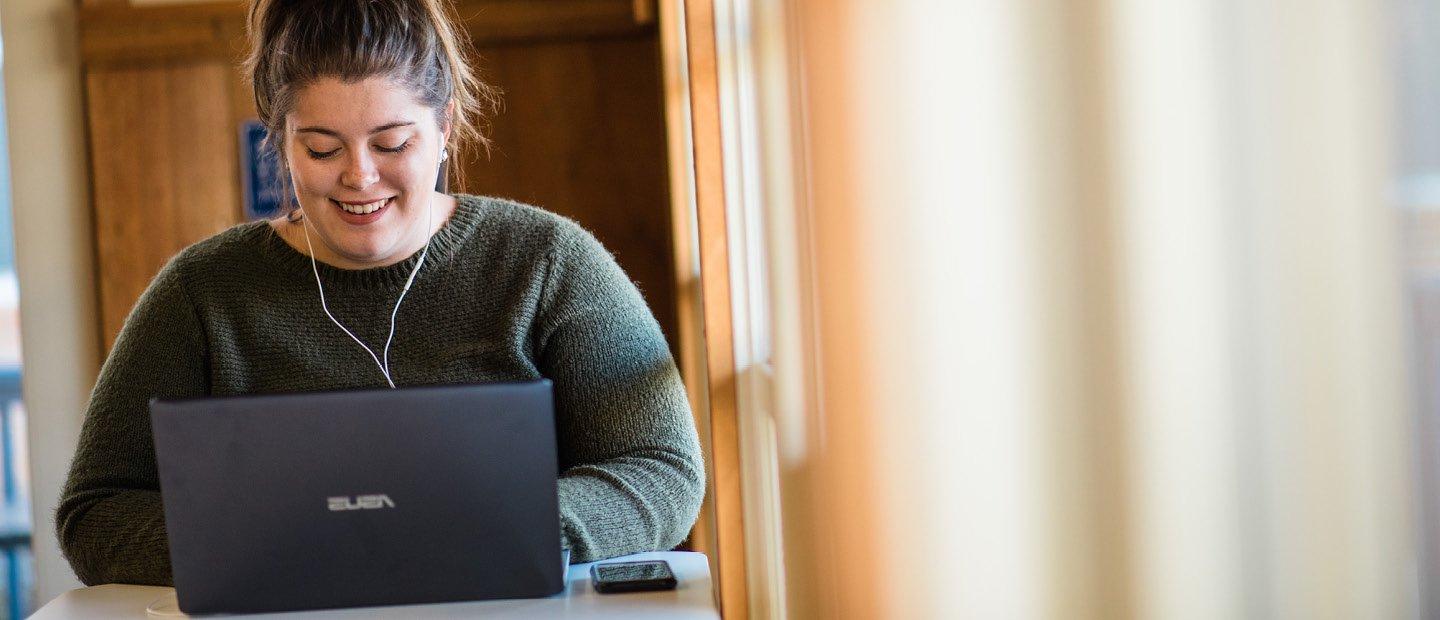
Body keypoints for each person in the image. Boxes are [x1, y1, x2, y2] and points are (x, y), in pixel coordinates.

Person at [54, 0, 704, 586]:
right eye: (321, 147)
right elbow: (96, 509)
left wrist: (514, 531)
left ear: (445, 123)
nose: (360, 177)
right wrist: (266, 547)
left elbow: (660, 465)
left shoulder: (546, 261)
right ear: (279, 136)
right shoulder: (202, 293)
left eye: (392, 142)